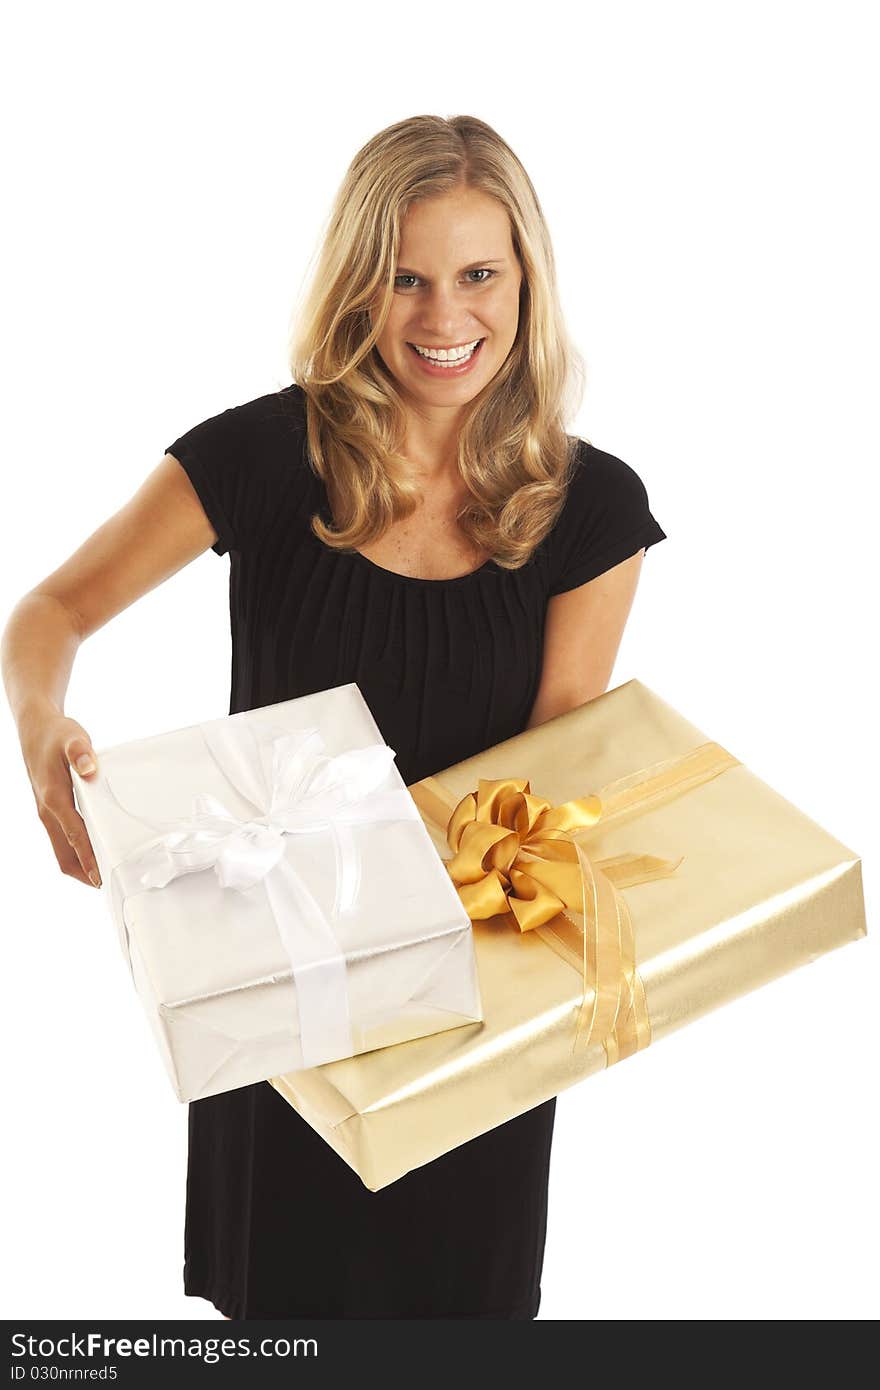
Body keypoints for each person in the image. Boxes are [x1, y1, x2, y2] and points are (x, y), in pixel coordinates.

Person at [2, 114, 667, 1319]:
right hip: (278, 992)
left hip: (473, 1007)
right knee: (279, 1323)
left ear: (527, 281)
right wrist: (42, 726)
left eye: (478, 275)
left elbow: (555, 781)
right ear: (359, 284)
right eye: (403, 277)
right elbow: (49, 609)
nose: (441, 316)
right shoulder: (264, 457)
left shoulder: (590, 508)